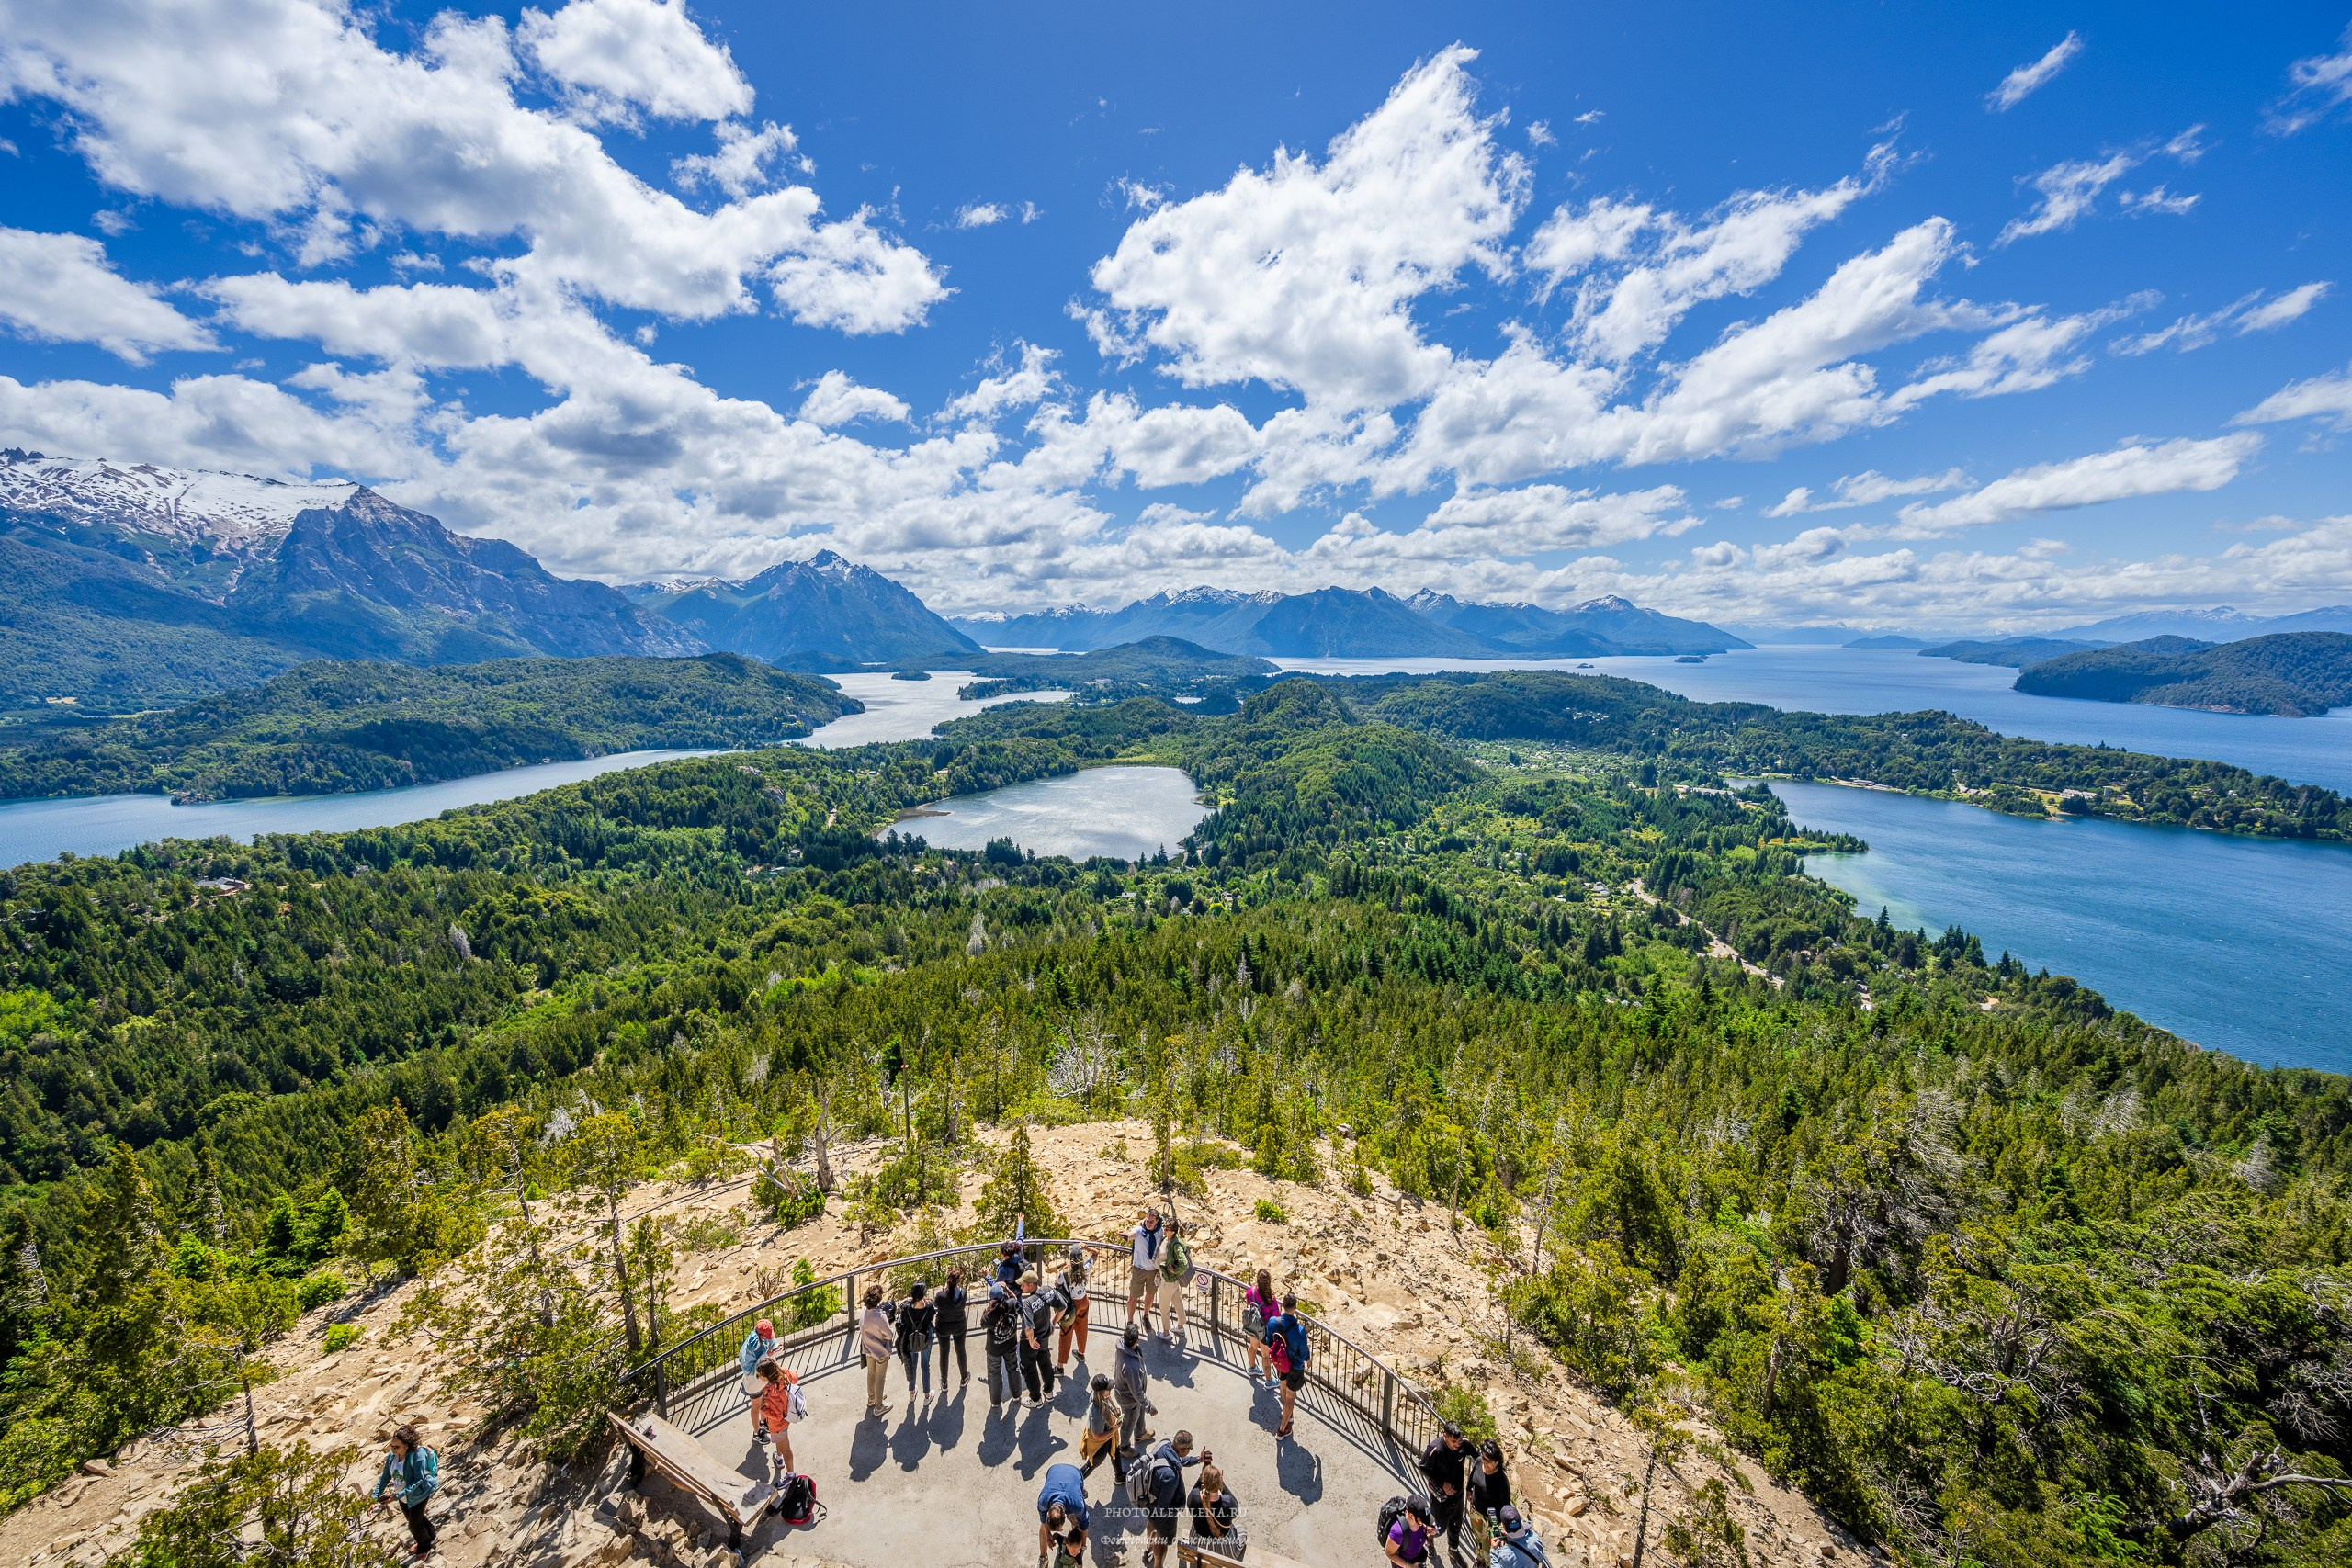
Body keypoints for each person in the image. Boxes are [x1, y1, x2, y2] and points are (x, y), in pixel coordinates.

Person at [1135, 1429, 1207, 1568]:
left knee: (1151, 1524)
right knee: (1162, 1540)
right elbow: (1162, 1509)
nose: (1189, 1451)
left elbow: (1178, 1461)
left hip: (1149, 1501)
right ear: (1182, 1449)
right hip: (1160, 1512)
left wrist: (1197, 1459)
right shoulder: (1171, 1477)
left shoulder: (1164, 1445)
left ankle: (1148, 1549)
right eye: (1189, 1449)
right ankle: (1158, 1565)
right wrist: (1178, 1509)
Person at [372, 1424, 440, 1559]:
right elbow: (385, 1477)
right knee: (415, 1518)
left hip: (419, 1492)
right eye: (391, 1445)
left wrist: (396, 1496)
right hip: (402, 1494)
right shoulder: (393, 1456)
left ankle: (425, 1546)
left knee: (413, 1525)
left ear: (407, 1445)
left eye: (396, 1447)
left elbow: (418, 1479)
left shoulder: (417, 1455)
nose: (392, 1449)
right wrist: (374, 1498)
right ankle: (431, 1535)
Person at [1419, 1423, 1470, 1568]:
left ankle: (1453, 1550)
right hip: (1441, 1499)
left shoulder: (1461, 1445)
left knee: (1456, 1523)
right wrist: (1442, 1483)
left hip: (1458, 1495)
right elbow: (1423, 1467)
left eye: (1458, 1441)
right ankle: (1429, 1539)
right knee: (1438, 1527)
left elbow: (1475, 1455)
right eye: (1453, 1441)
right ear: (1445, 1436)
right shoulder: (1435, 1448)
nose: (1456, 1444)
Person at [1261, 1292, 1310, 1438]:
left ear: (1283, 1306)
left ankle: (1289, 1415)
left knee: (1283, 1386)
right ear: (1295, 1309)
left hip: (1281, 1363)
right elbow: (1303, 1353)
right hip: (1295, 1366)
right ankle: (1282, 1430)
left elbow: (1269, 1341)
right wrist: (1308, 1360)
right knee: (1291, 1397)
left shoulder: (1272, 1322)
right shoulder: (1300, 1331)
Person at [1035, 1460, 1091, 1568]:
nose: (1060, 1531)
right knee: (1043, 1526)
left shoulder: (1077, 1506)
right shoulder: (1043, 1501)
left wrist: (1080, 1551)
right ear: (1048, 1513)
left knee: (1078, 1526)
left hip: (1075, 1473)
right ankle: (1043, 1558)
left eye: (1059, 1528)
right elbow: (1043, 1521)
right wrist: (1047, 1533)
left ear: (1066, 1516)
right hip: (1054, 1470)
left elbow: (1085, 1525)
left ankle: (1080, 1490)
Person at [1112, 1320, 1153, 1467]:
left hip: (1133, 1397)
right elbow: (1137, 1392)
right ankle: (1124, 1447)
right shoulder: (1131, 1367)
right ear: (1136, 1340)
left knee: (1138, 1413)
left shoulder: (1122, 1346)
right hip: (1129, 1399)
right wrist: (1149, 1406)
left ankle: (1140, 1433)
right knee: (1128, 1423)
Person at [1466, 1438, 1511, 1562]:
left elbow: (1506, 1505)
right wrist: (1468, 1490)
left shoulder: (1501, 1480)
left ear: (1497, 1462)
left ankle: (1485, 1563)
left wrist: (1502, 1525)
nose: (1484, 1462)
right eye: (1484, 1458)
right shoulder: (1479, 1462)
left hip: (1491, 1520)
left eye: (1488, 1461)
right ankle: (1479, 1559)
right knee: (1477, 1538)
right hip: (1476, 1511)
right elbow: (1472, 1478)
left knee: (1489, 1548)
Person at [1189, 1461, 1245, 1560]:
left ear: (1204, 1482)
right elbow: (1235, 1510)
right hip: (1225, 1550)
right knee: (1241, 1530)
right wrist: (1221, 1483)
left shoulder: (1195, 1498)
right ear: (1219, 1483)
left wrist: (1202, 1476)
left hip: (1198, 1544)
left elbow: (1195, 1490)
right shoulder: (1229, 1503)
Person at [753, 1359, 798, 1478]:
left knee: (786, 1449)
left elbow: (777, 1416)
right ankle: (779, 1458)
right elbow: (795, 1377)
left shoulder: (772, 1392)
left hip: (778, 1425)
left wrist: (763, 1408)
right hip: (786, 1418)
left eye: (759, 1375)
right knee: (779, 1441)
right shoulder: (783, 1374)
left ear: (766, 1375)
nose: (758, 1377)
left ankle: (790, 1475)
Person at [983, 1280, 1023, 1408]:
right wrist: (1007, 1289)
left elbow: (982, 1323)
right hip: (1010, 1343)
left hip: (994, 1347)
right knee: (1013, 1368)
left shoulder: (990, 1314)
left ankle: (995, 1402)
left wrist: (987, 1308)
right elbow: (1015, 1298)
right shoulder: (1011, 1304)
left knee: (994, 1373)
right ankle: (1017, 1395)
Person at [1017, 1269, 1056, 1402]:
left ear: (1031, 1285)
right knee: (1045, 1364)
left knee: (1029, 1369)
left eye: (1023, 1284)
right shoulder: (1047, 1290)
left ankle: (1036, 1400)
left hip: (1030, 1342)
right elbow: (1062, 1306)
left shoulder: (1028, 1302)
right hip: (1044, 1337)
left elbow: (1028, 1328)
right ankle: (1049, 1392)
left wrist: (1031, 1340)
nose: (1021, 1286)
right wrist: (1053, 1323)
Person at [1125, 1206, 1164, 1331]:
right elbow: (1131, 1234)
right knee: (1133, 1297)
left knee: (1150, 1295)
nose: (1148, 1223)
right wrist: (1126, 1236)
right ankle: (1130, 1322)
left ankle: (1146, 1316)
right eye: (1147, 1220)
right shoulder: (1139, 1230)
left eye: (1151, 1221)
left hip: (1153, 1270)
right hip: (1139, 1269)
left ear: (1157, 1221)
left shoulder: (1160, 1231)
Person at [1055, 1244, 1092, 1371]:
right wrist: (1086, 1248)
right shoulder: (1086, 1268)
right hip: (1083, 1301)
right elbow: (1096, 1254)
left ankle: (1060, 1366)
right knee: (1082, 1328)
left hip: (1070, 1305)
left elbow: (1057, 1284)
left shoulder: (1064, 1274)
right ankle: (1081, 1353)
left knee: (1066, 1333)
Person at [858, 1284, 895, 1416]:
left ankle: (872, 1398)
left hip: (868, 1349)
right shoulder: (880, 1316)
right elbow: (889, 1335)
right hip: (880, 1351)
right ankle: (879, 1406)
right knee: (880, 1378)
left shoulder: (862, 1312)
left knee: (871, 1375)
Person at [897, 1280, 936, 1398]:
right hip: (925, 1339)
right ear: (924, 1295)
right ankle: (927, 1395)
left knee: (912, 1364)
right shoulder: (929, 1308)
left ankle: (912, 1392)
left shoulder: (907, 1308)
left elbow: (903, 1321)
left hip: (911, 1339)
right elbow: (931, 1318)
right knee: (925, 1366)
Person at [1155, 1213, 1191, 1339]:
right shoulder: (1170, 1239)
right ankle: (1180, 1326)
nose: (1164, 1229)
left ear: (1173, 1231)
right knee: (1177, 1302)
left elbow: (1184, 1264)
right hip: (1173, 1281)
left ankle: (1166, 1333)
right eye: (1164, 1227)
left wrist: (1174, 1269)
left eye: (1167, 1228)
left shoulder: (1175, 1245)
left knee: (1163, 1307)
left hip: (1168, 1281)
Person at [1240, 1269, 1278, 1382]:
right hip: (1265, 1330)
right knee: (1265, 1355)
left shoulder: (1251, 1290)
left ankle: (1252, 1368)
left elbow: (1248, 1300)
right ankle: (1269, 1380)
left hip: (1253, 1324)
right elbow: (1276, 1316)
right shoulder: (1271, 1298)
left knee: (1252, 1346)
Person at [934, 1269, 970, 1386]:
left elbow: (936, 1305)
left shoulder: (940, 1295)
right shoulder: (963, 1293)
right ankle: (964, 1377)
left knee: (944, 1352)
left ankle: (944, 1382)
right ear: (959, 1281)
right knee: (960, 1350)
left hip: (943, 1326)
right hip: (959, 1325)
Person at [1079, 1372, 1119, 1475]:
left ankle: (1119, 1476)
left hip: (1108, 1433)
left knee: (1115, 1451)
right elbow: (1097, 1436)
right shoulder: (1096, 1414)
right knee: (1091, 1465)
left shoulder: (1098, 1396)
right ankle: (1075, 1483)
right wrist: (1114, 1429)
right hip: (1100, 1444)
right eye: (1108, 1389)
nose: (1110, 1390)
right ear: (1101, 1392)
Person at [739, 1317, 779, 1420]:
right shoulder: (750, 1348)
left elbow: (771, 1340)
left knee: (764, 1402)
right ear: (761, 1335)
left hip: (764, 1379)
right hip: (754, 1383)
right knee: (756, 1407)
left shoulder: (762, 1337)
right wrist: (767, 1355)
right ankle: (757, 1432)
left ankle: (763, 1422)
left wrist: (776, 1346)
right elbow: (750, 1370)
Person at [1487, 1505, 1551, 1568]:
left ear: (1503, 1526)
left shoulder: (1505, 1554)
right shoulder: (1535, 1538)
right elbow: (1540, 1559)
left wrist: (1494, 1550)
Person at [1385, 1496, 1437, 1567]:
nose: (1426, 1523)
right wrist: (1408, 1566)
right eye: (1423, 1520)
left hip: (1418, 1558)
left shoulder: (1420, 1523)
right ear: (1411, 1515)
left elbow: (1418, 1538)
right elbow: (1390, 1553)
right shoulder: (1398, 1532)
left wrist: (1431, 1533)